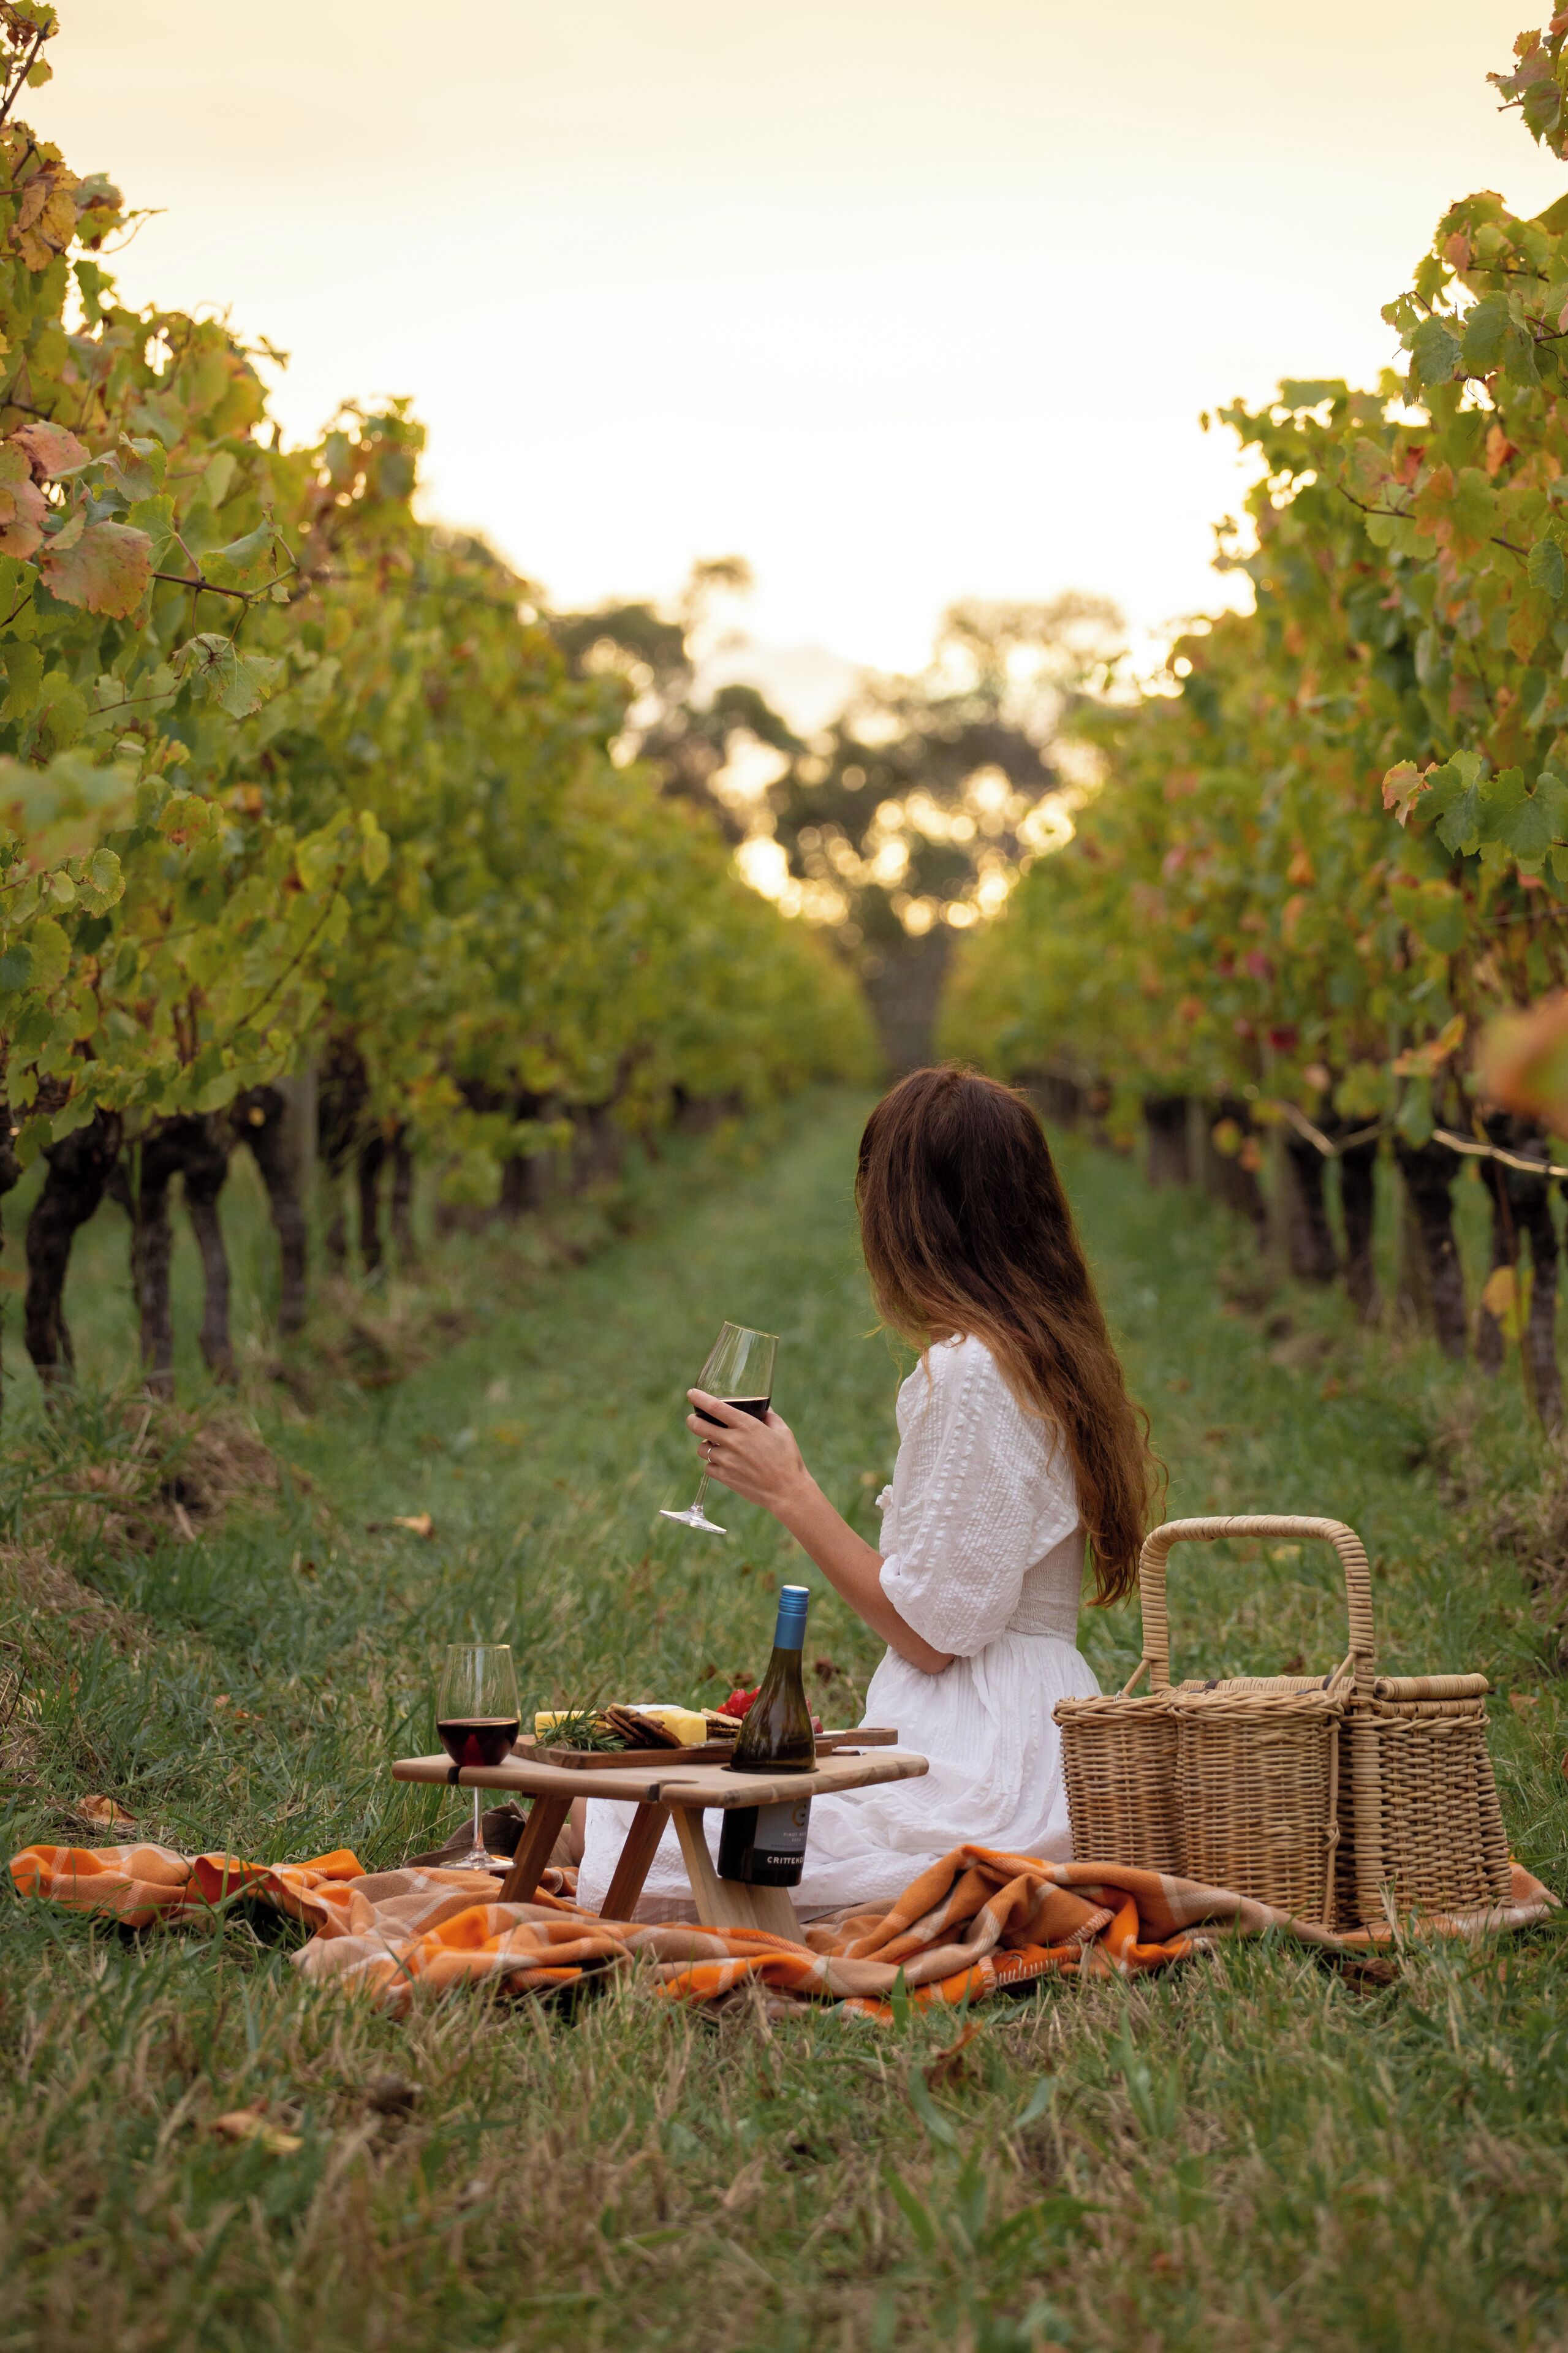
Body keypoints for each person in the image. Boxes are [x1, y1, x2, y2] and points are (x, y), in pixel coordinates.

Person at [575, 1065, 1159, 1921]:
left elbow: (933, 1635)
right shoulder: (1037, 1354)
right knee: (660, 1802)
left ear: (907, 1214)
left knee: (636, 1820)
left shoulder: (972, 1374)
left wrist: (792, 1492)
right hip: (1021, 1748)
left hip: (981, 1776)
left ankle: (539, 1842)